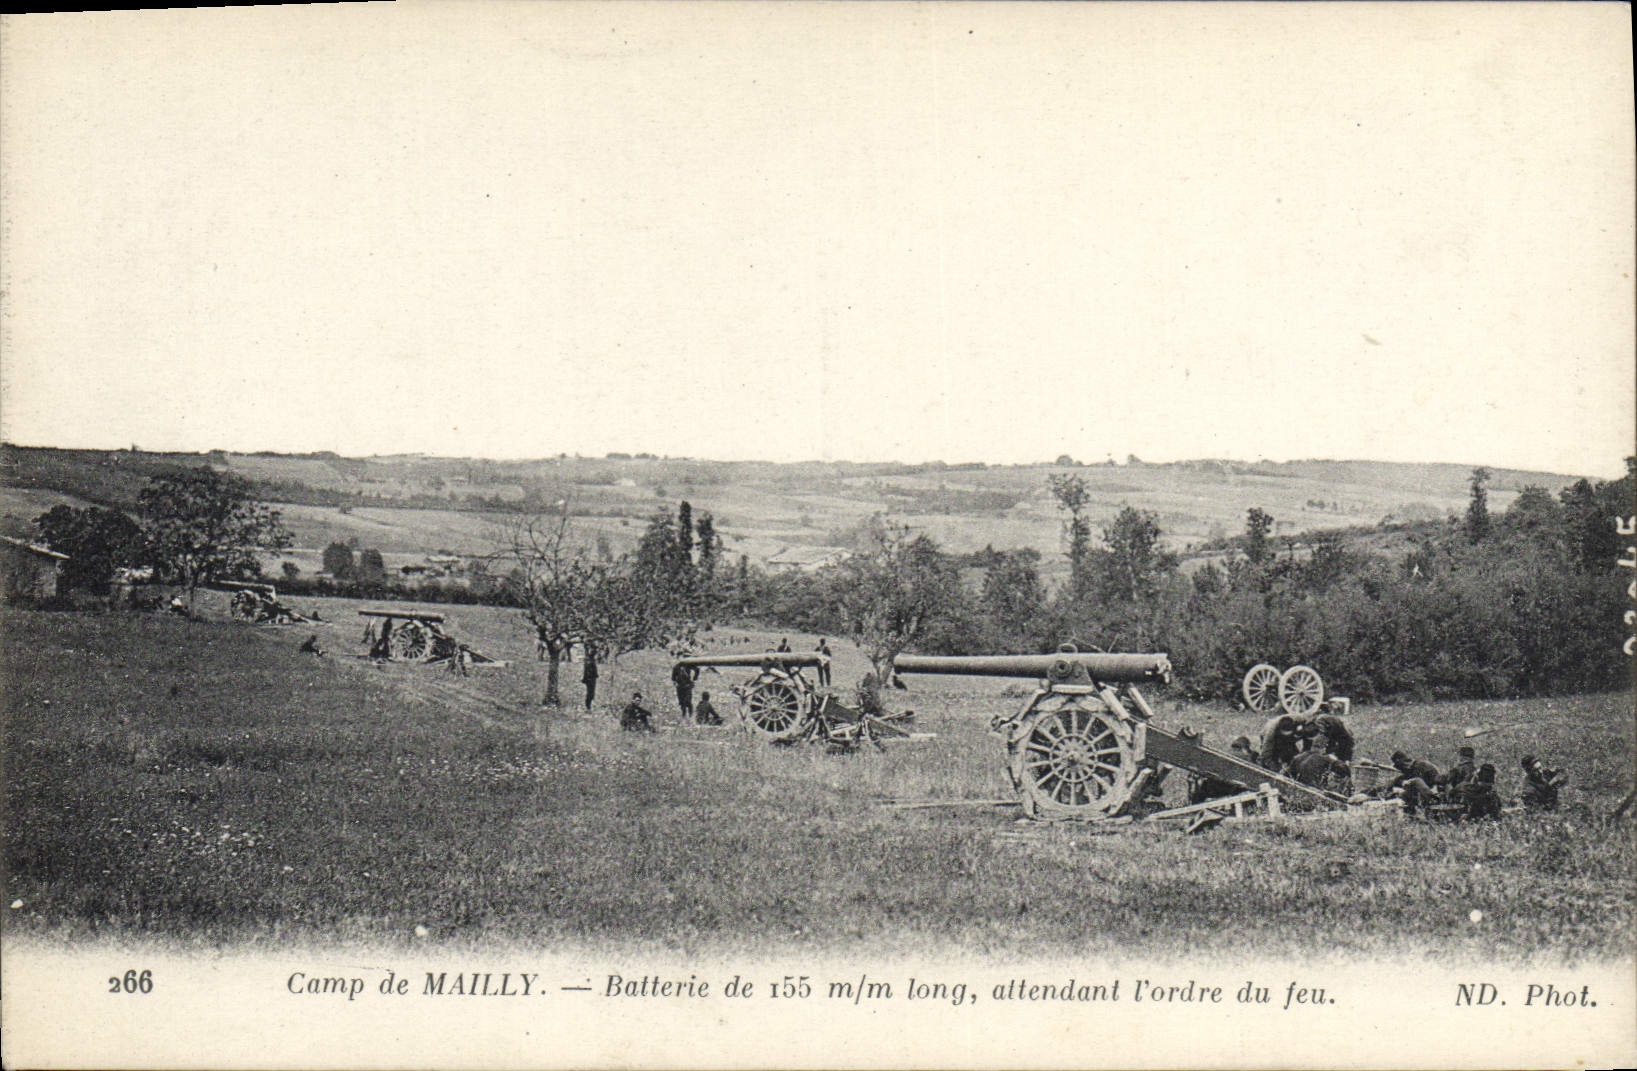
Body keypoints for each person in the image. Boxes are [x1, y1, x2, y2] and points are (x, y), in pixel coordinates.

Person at [1385, 750, 1442, 815]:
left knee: (1413, 784)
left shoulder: (1421, 767)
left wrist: (1399, 792)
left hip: (1432, 796)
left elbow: (1417, 786)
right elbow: (1400, 780)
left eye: (1401, 768)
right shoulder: (1413, 768)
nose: (1402, 770)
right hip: (1426, 794)